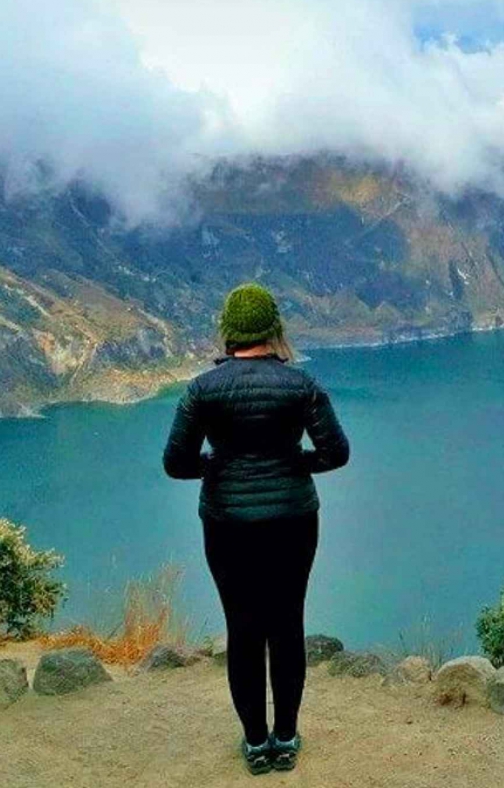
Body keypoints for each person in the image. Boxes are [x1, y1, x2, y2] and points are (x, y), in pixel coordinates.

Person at [162, 283, 349, 776]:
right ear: (274, 331)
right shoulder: (301, 385)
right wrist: (292, 463)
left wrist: (218, 466)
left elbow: (176, 463)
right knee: (287, 625)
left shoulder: (201, 390)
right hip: (293, 518)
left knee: (243, 630)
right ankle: (286, 739)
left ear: (228, 333)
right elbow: (336, 453)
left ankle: (254, 744)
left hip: (227, 523)